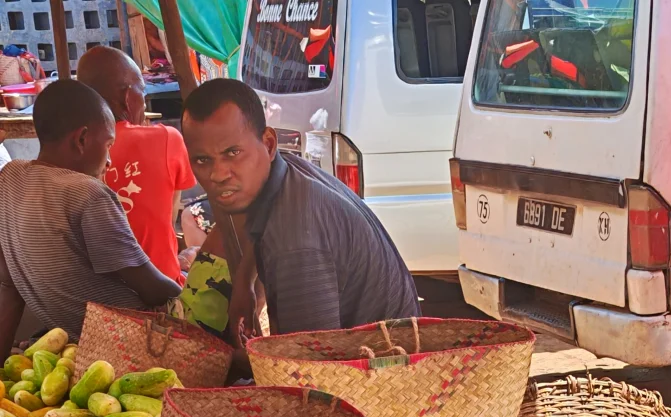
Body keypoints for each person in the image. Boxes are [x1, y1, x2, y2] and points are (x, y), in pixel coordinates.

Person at [181, 79, 418, 337]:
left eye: (233, 153)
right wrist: (244, 281)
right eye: (202, 160)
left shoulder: (294, 241)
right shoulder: (284, 175)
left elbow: (309, 355)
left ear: (269, 144)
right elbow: (259, 223)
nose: (218, 174)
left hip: (384, 357)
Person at [0, 80, 180, 357]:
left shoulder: (10, 178)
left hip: (65, 337)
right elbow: (152, 289)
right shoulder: (87, 194)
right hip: (127, 342)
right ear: (82, 139)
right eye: (108, 144)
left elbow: (7, 284)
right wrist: (182, 291)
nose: (109, 161)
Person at [77, 45, 195, 284]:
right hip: (161, 287)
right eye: (143, 91)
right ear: (128, 97)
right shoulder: (167, 139)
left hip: (97, 290)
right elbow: (167, 219)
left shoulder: (75, 148)